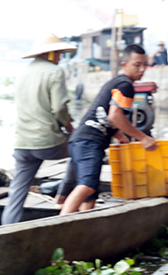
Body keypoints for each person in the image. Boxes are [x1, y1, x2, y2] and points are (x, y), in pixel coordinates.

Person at [60, 44, 157, 215]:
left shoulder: (119, 82)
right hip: (89, 142)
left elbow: (105, 115)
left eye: (144, 65)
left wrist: (120, 135)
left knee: (91, 195)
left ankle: (82, 228)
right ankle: (59, 227)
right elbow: (115, 116)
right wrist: (143, 137)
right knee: (87, 187)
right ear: (124, 64)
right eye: (137, 64)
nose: (142, 69)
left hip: (80, 140)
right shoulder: (126, 84)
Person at [1, 32, 77, 225]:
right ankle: (63, 195)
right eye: (58, 54)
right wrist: (70, 127)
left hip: (22, 144)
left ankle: (7, 231)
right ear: (50, 54)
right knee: (80, 149)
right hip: (47, 143)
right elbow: (59, 108)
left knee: (17, 193)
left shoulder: (23, 73)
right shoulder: (54, 72)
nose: (60, 58)